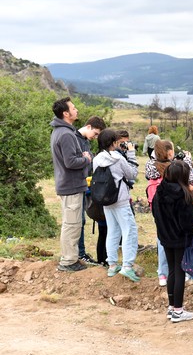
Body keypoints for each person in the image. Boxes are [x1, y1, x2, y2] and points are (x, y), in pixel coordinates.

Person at [151, 160, 193, 323]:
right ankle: (178, 310)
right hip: (179, 238)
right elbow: (186, 223)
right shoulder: (182, 195)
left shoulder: (159, 190)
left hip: (164, 236)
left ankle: (172, 307)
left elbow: (155, 214)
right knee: (179, 271)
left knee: (171, 270)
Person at [51, 97, 93, 272]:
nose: (76, 110)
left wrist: (80, 156)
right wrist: (85, 158)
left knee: (71, 223)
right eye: (73, 108)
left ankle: (71, 257)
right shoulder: (67, 134)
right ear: (65, 113)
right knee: (72, 224)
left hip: (69, 184)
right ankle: (68, 261)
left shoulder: (60, 131)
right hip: (71, 185)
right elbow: (70, 162)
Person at [93, 129, 140, 282]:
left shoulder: (96, 159)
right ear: (114, 143)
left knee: (112, 231)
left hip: (105, 200)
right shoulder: (117, 159)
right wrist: (131, 153)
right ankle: (127, 266)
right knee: (129, 231)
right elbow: (132, 174)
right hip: (120, 200)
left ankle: (112, 264)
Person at [146, 140, 193, 286]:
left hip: (157, 204)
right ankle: (182, 272)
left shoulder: (150, 165)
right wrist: (187, 161)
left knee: (161, 238)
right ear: (170, 152)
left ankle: (162, 274)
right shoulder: (172, 167)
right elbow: (188, 178)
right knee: (177, 238)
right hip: (174, 203)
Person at [76, 116, 106, 264]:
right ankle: (79, 253)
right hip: (75, 184)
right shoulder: (74, 139)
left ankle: (81, 252)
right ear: (89, 126)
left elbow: (89, 162)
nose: (95, 137)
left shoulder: (85, 141)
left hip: (84, 182)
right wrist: (87, 160)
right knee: (77, 220)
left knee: (81, 219)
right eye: (95, 133)